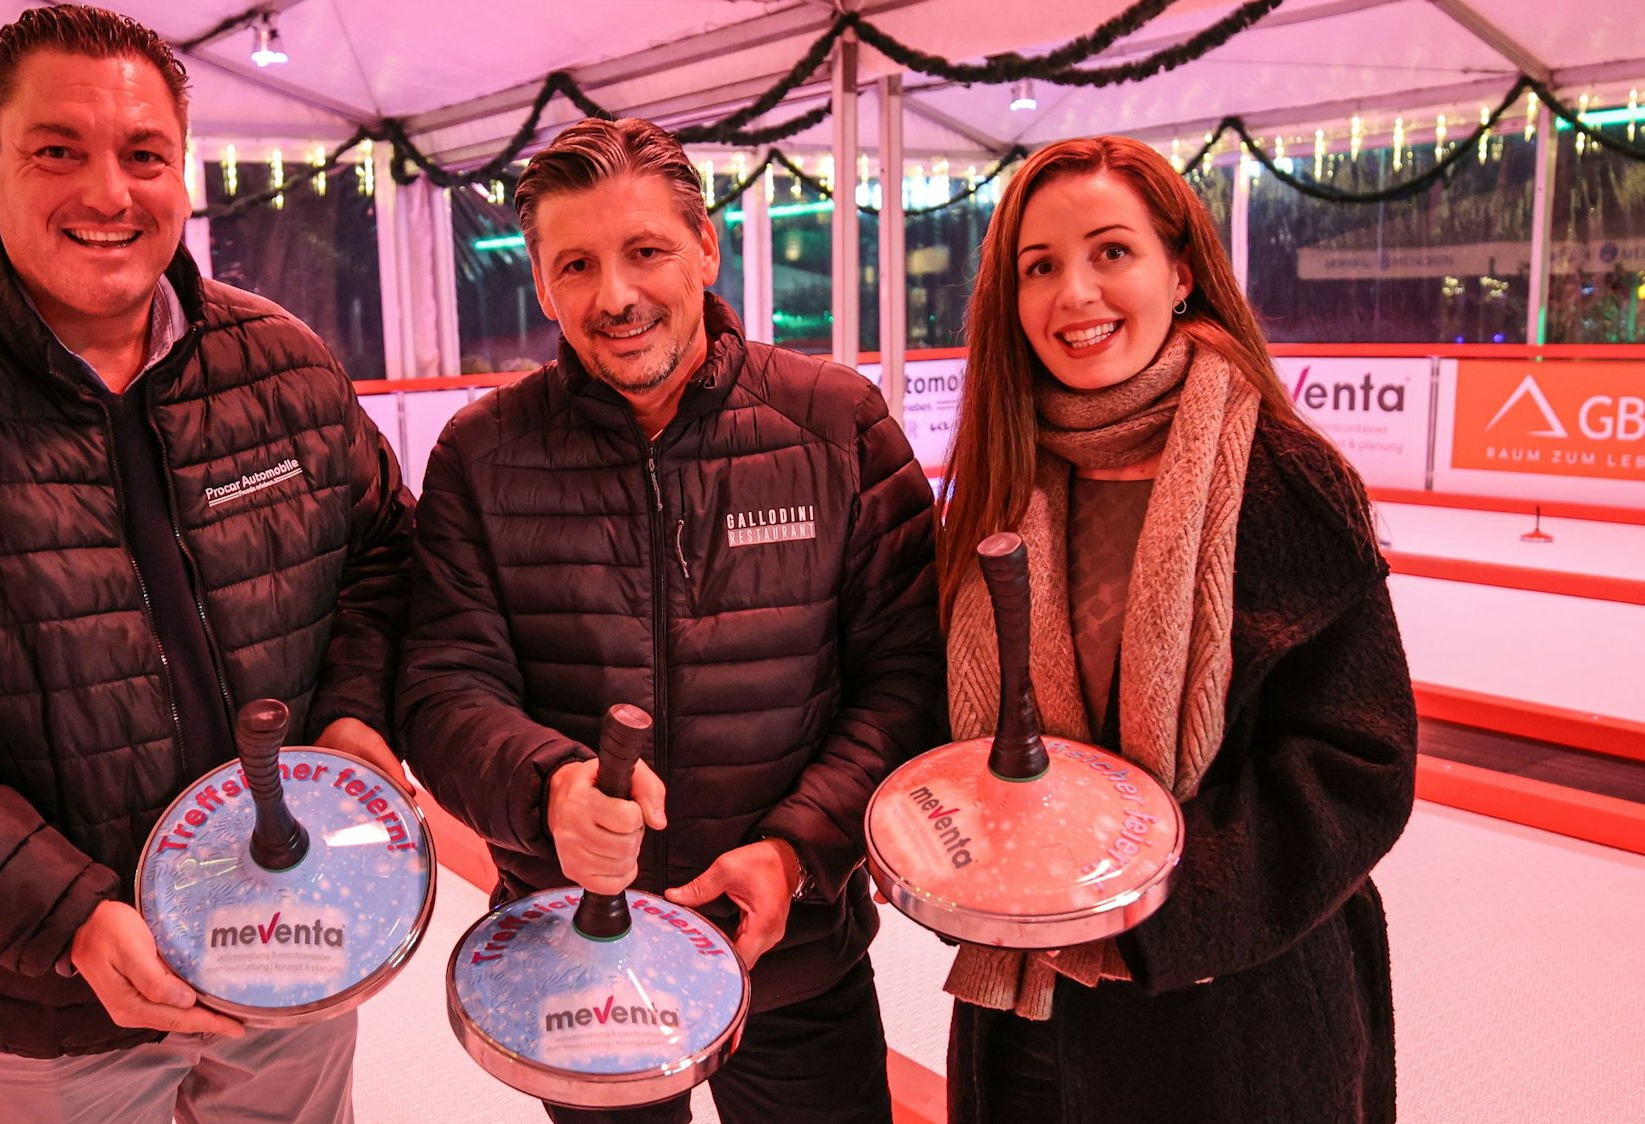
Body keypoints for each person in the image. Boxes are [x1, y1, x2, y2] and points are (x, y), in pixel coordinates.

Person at [0, 7, 412, 1122]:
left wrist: (351, 717)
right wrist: (63, 914)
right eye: (58, 150)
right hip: (40, 993)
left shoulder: (283, 366)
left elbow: (381, 562)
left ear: (182, 170)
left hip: (292, 928)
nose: (109, 193)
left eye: (143, 155)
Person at [398, 117, 943, 1124]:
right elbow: (441, 688)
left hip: (793, 948)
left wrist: (797, 850)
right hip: (577, 952)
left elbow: (909, 677)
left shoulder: (836, 426)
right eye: (577, 264)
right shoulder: (483, 454)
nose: (615, 295)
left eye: (645, 250)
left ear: (706, 248)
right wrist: (548, 790)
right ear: (542, 284)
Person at [933, 135, 1417, 1124]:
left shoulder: (1287, 480)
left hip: (1233, 1023)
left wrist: (1148, 908)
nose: (1075, 293)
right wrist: (955, 860)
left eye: (1111, 251)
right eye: (1040, 266)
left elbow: (1358, 764)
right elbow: (947, 730)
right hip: (1031, 1017)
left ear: (1182, 272)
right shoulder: (999, 479)